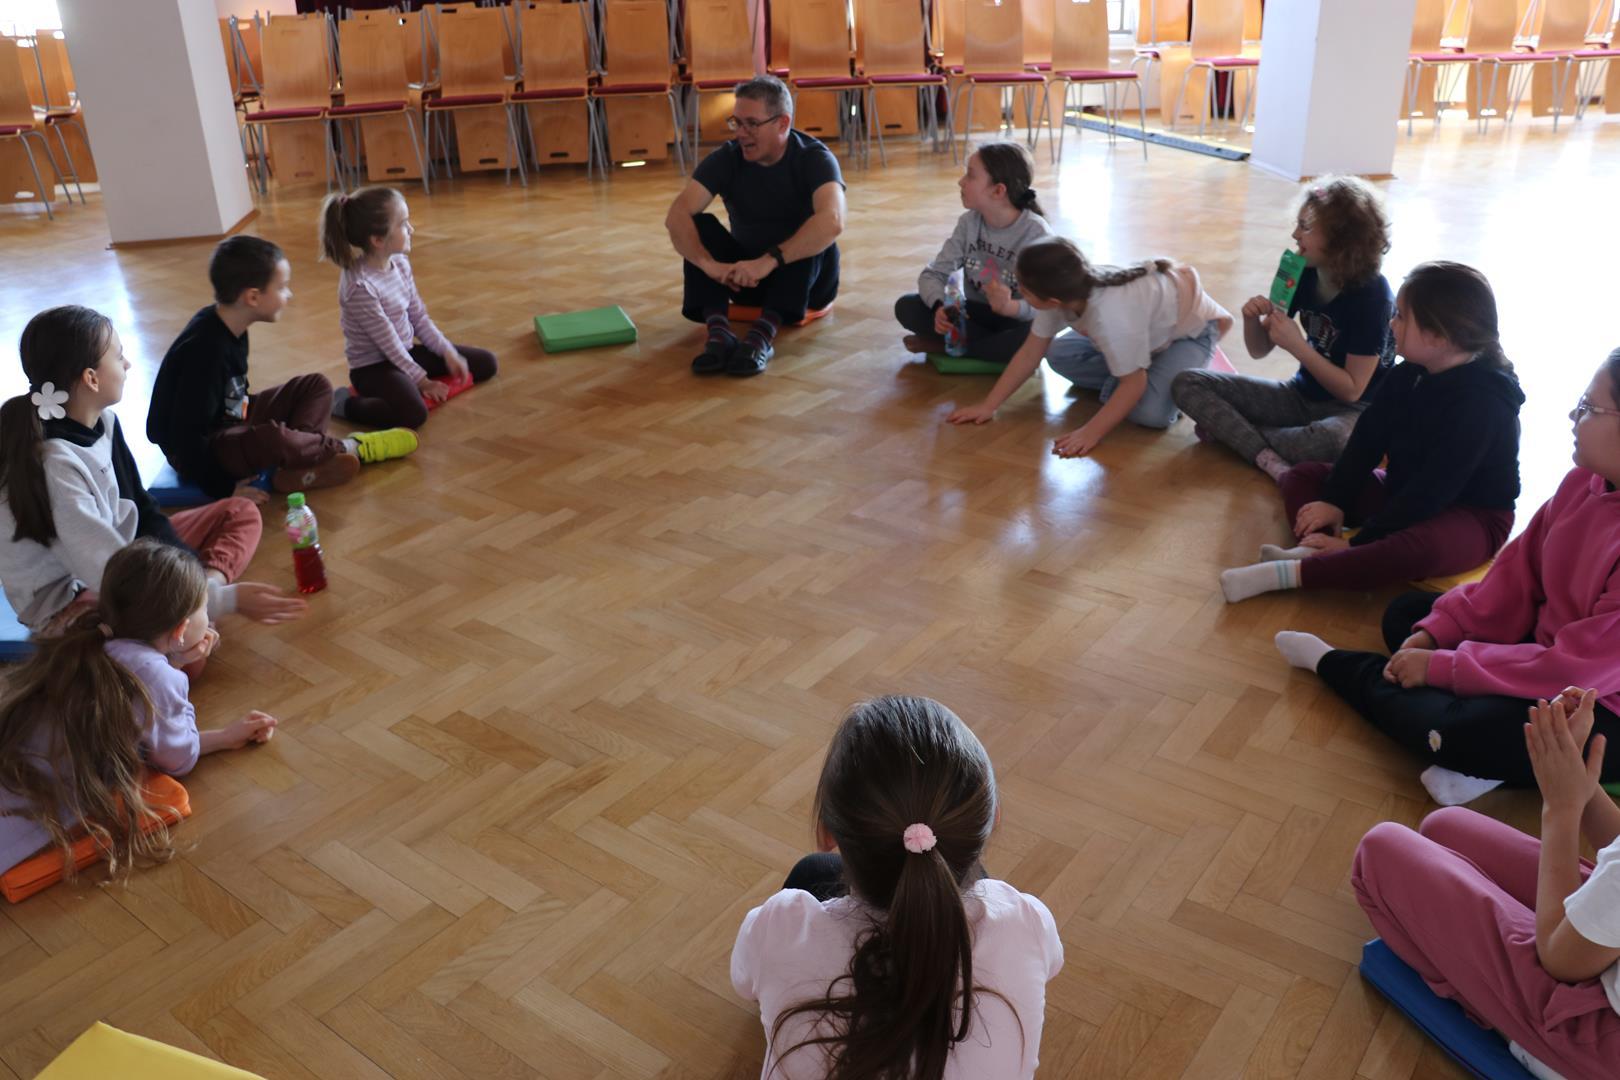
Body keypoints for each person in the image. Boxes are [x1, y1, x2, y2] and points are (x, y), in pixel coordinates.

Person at [1273, 349, 1620, 803]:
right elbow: (1516, 575)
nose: (1573, 415)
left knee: (1469, 731)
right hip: (1543, 648)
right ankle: (1477, 753)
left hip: (1597, 701)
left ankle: (1339, 667)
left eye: (1590, 407)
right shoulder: (1581, 483)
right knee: (1408, 616)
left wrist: (1443, 667)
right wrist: (1438, 635)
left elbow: (1575, 669)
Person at [731, 695, 1063, 1079]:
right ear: (993, 820)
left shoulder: (780, 928)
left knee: (811, 872)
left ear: (826, 833)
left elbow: (744, 984)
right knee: (976, 882)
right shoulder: (1024, 922)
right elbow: (1050, 964)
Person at [1351, 692, 1620, 1079]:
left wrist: (1560, 808)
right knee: (1444, 828)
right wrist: (1574, 773)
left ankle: (1504, 1019)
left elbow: (1561, 962)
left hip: (1596, 1036)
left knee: (1379, 851)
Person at [1221, 262, 1523, 604]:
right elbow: (1367, 438)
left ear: (1437, 337)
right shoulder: (1410, 373)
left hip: (1472, 516)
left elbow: (1433, 490)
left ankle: (1298, 571)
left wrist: (1357, 542)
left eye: (1401, 317)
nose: (1392, 323)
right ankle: (1318, 550)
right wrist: (1335, 501)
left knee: (1415, 549)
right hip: (1402, 491)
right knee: (1304, 477)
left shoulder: (1483, 404)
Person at [0, 305, 305, 636]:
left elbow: (143, 510)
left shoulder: (105, 422)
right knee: (189, 640)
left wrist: (196, 585)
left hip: (123, 556)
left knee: (241, 512)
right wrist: (216, 601)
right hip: (74, 598)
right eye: (119, 356)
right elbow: (108, 573)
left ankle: (197, 598)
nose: (127, 364)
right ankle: (187, 614)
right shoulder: (57, 466)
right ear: (91, 378)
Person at [0, 540, 278, 879]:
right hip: (27, 807)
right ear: (180, 630)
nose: (208, 619)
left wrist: (221, 731)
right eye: (205, 609)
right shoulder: (156, 674)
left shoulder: (88, 634)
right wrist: (179, 674)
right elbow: (179, 758)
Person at [147, 235, 418, 501]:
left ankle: (300, 465)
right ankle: (349, 447)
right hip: (199, 451)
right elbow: (185, 437)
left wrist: (248, 423)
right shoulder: (207, 352)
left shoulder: (229, 324)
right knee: (272, 438)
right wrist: (224, 488)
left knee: (316, 385)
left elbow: (235, 392)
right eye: (282, 287)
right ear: (253, 297)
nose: (289, 294)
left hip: (230, 420)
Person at [1171, 176, 1396, 480]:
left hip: (1351, 412)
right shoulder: (1300, 269)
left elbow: (1352, 390)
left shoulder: (1373, 297)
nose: (1295, 234)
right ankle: (1267, 452)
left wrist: (1298, 347)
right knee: (1186, 383)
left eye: (1305, 227)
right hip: (1299, 395)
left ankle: (1240, 436)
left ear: (1341, 239)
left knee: (1331, 441)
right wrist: (1252, 320)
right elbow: (1259, 349)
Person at [946, 237, 1232, 457]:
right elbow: (1031, 352)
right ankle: (1132, 374)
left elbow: (1134, 384)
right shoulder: (1064, 294)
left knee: (1149, 414)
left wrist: (1091, 432)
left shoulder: (1112, 318)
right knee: (1058, 354)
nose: (1019, 293)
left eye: (1025, 290)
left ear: (1052, 301)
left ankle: (1149, 378)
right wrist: (989, 406)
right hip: (1143, 337)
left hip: (1189, 334)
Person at [665, 75, 846, 378]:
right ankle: (719, 333)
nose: (741, 133)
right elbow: (677, 215)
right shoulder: (728, 157)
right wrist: (709, 265)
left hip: (807, 284)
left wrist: (768, 261)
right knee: (700, 224)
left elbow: (834, 220)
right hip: (746, 280)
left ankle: (762, 336)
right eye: (736, 123)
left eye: (751, 124)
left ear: (782, 123)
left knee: (814, 229)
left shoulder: (814, 158)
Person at [319, 186, 499, 429]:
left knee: (486, 363)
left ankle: (413, 377)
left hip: (406, 352)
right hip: (374, 368)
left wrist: (448, 352)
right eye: (403, 224)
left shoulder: (400, 263)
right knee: (413, 414)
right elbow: (389, 345)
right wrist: (423, 382)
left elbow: (419, 317)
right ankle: (343, 404)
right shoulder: (360, 287)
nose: (411, 229)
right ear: (378, 240)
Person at [894, 142, 1052, 364]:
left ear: (998, 191)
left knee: (1031, 339)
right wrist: (941, 307)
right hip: (975, 315)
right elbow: (934, 274)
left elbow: (1045, 305)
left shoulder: (1036, 233)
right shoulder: (969, 223)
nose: (961, 182)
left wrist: (1010, 307)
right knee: (907, 307)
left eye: (970, 175)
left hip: (1015, 320)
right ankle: (981, 347)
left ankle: (946, 345)